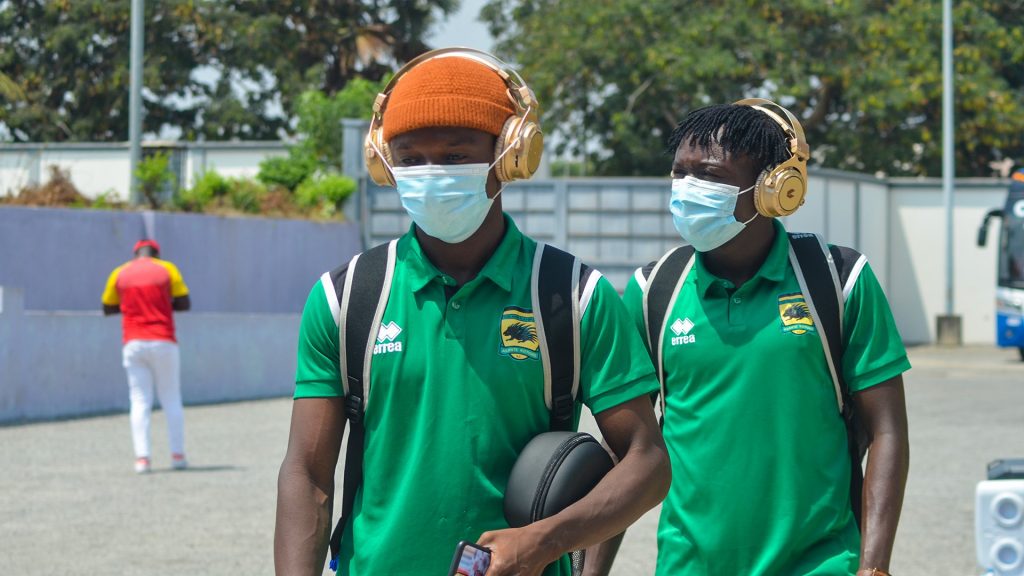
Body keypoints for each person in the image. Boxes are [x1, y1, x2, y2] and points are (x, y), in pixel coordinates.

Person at [274, 48, 670, 576]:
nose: (431, 173)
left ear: (510, 155)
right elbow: (307, 475)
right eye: (410, 158)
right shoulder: (346, 298)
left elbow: (646, 460)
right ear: (384, 162)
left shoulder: (574, 295)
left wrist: (544, 542)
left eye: (456, 156)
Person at [591, 101, 911, 576]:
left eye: (710, 174)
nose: (688, 189)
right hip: (687, 565)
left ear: (775, 188)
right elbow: (626, 453)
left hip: (821, 564)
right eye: (680, 172)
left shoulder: (838, 281)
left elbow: (887, 431)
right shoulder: (651, 290)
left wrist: (874, 566)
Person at [102, 238, 191, 474]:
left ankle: (143, 458)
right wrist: (161, 304)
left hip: (133, 342)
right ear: (156, 253)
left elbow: (107, 307)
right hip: (163, 340)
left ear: (135, 253)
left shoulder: (120, 273)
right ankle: (177, 455)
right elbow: (184, 303)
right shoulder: (167, 269)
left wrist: (132, 306)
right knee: (171, 398)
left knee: (139, 400)